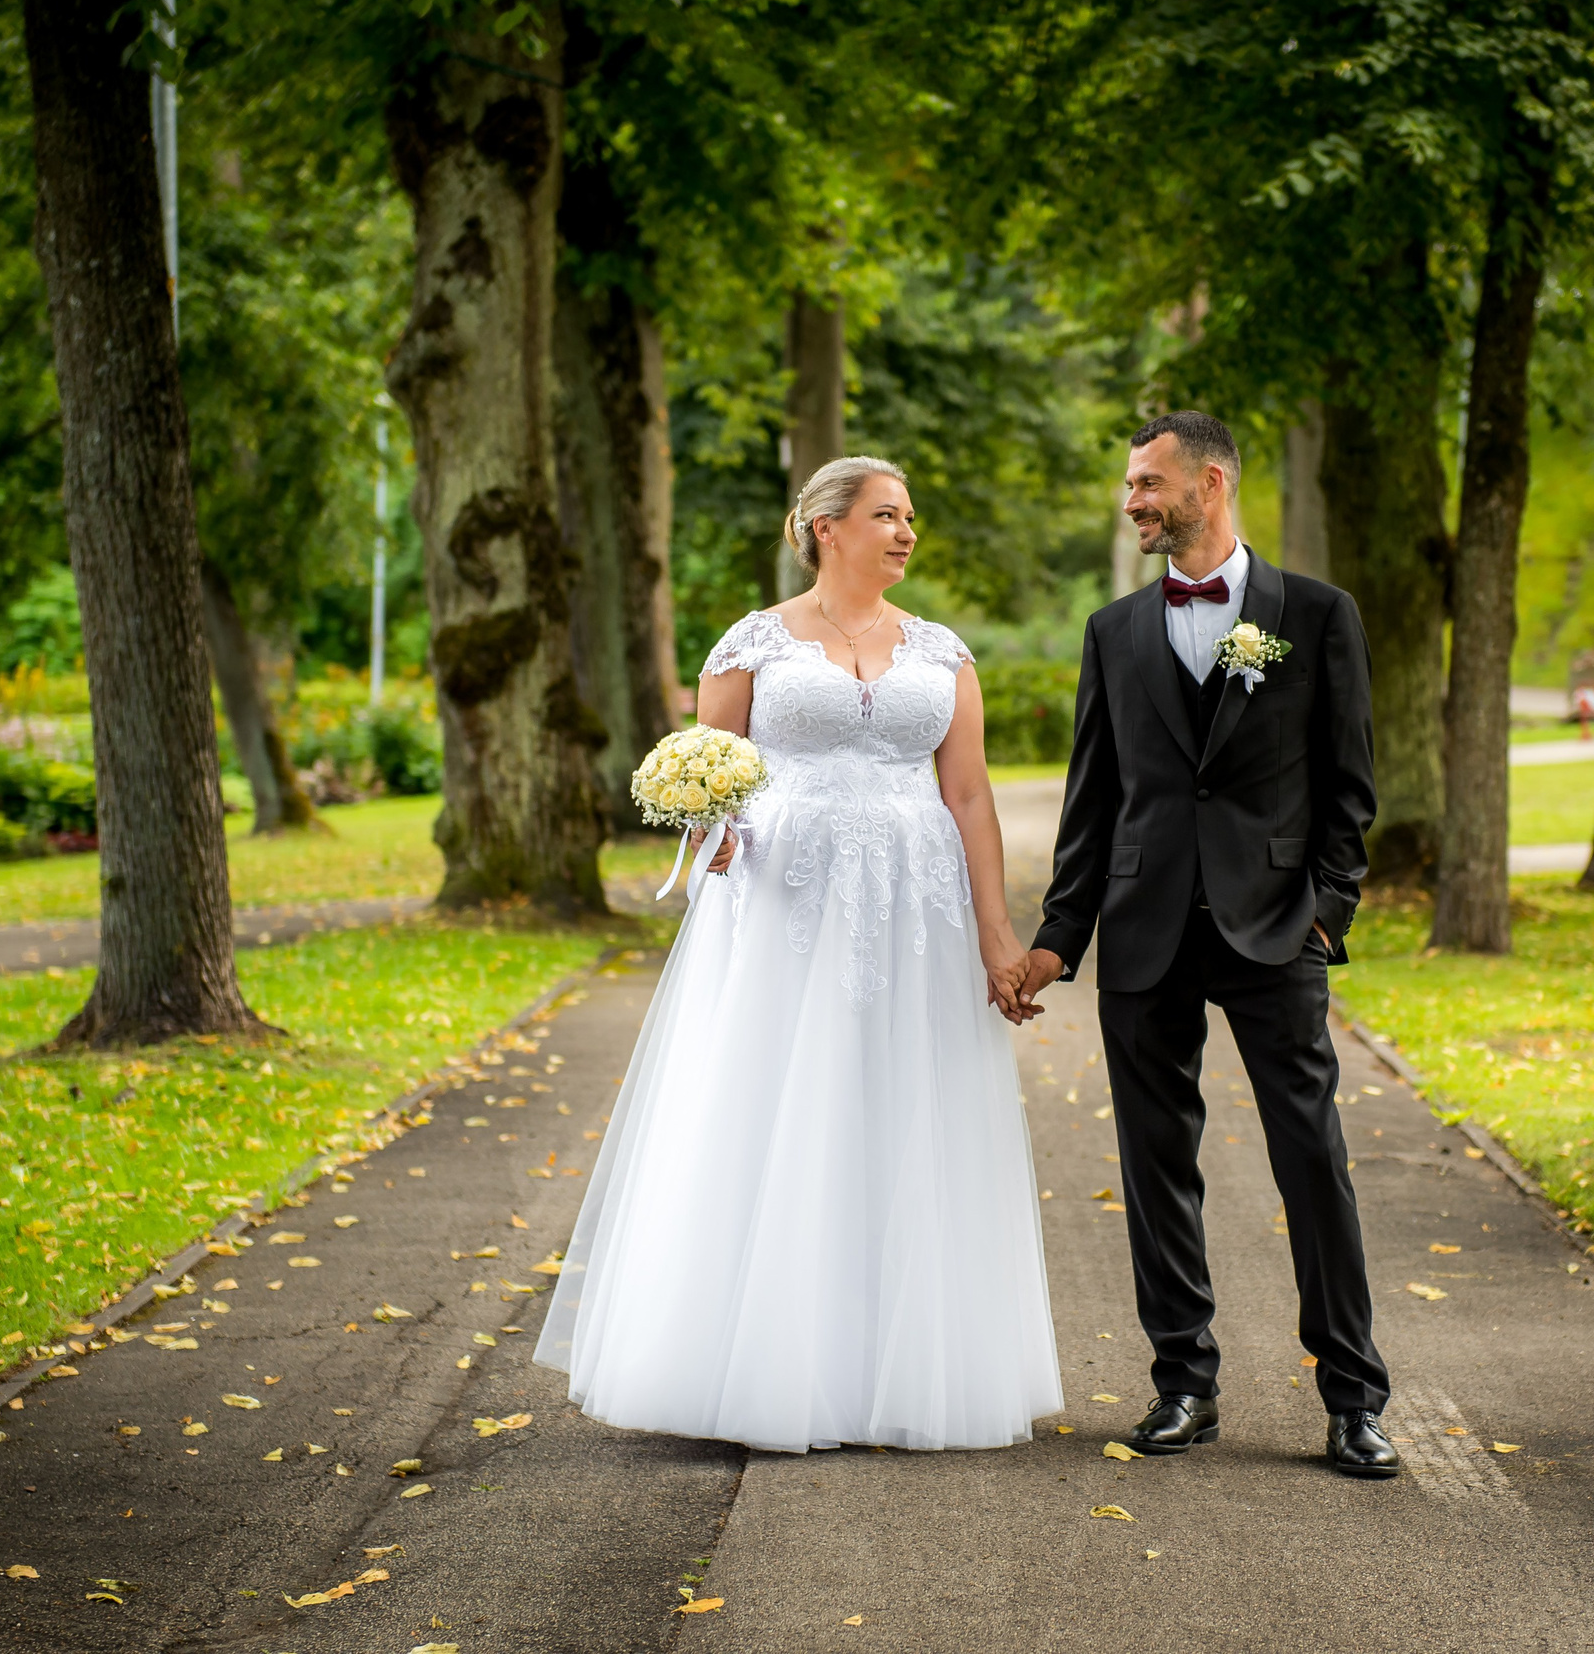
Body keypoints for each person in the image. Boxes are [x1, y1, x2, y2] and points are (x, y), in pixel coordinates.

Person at [537, 456, 1061, 1452]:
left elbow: (969, 796)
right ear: (826, 525)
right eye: (886, 514)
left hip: (917, 910)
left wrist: (997, 930)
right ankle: (756, 1364)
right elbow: (707, 776)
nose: (906, 531)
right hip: (784, 909)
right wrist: (709, 833)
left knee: (907, 1109)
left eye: (911, 516)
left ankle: (901, 1368)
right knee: (776, 1109)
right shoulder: (752, 644)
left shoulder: (942, 653)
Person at [1014, 412, 1399, 1479]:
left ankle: (1353, 1396)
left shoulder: (1315, 615)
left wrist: (1328, 910)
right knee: (1155, 1165)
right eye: (1130, 485)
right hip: (1143, 928)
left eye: (1148, 482)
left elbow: (1348, 783)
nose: (1133, 499)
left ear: (1209, 482)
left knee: (1310, 1156)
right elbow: (1092, 803)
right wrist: (1058, 937)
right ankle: (1183, 1381)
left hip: (1276, 924)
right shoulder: (1114, 629)